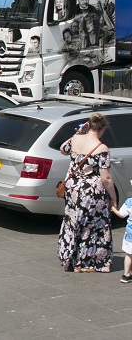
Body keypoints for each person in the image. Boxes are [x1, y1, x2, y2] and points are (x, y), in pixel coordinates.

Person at [58, 113, 116, 273]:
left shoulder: (76, 139)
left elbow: (63, 149)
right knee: (92, 226)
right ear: (103, 129)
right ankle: (86, 262)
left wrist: (78, 132)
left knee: (73, 222)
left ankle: (70, 257)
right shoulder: (101, 148)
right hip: (91, 194)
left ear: (88, 125)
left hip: (73, 189)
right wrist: (113, 197)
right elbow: (106, 178)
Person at [112, 196, 132, 283]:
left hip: (130, 234)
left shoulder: (130, 201)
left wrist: (112, 208)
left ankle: (126, 275)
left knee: (129, 255)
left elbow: (121, 214)